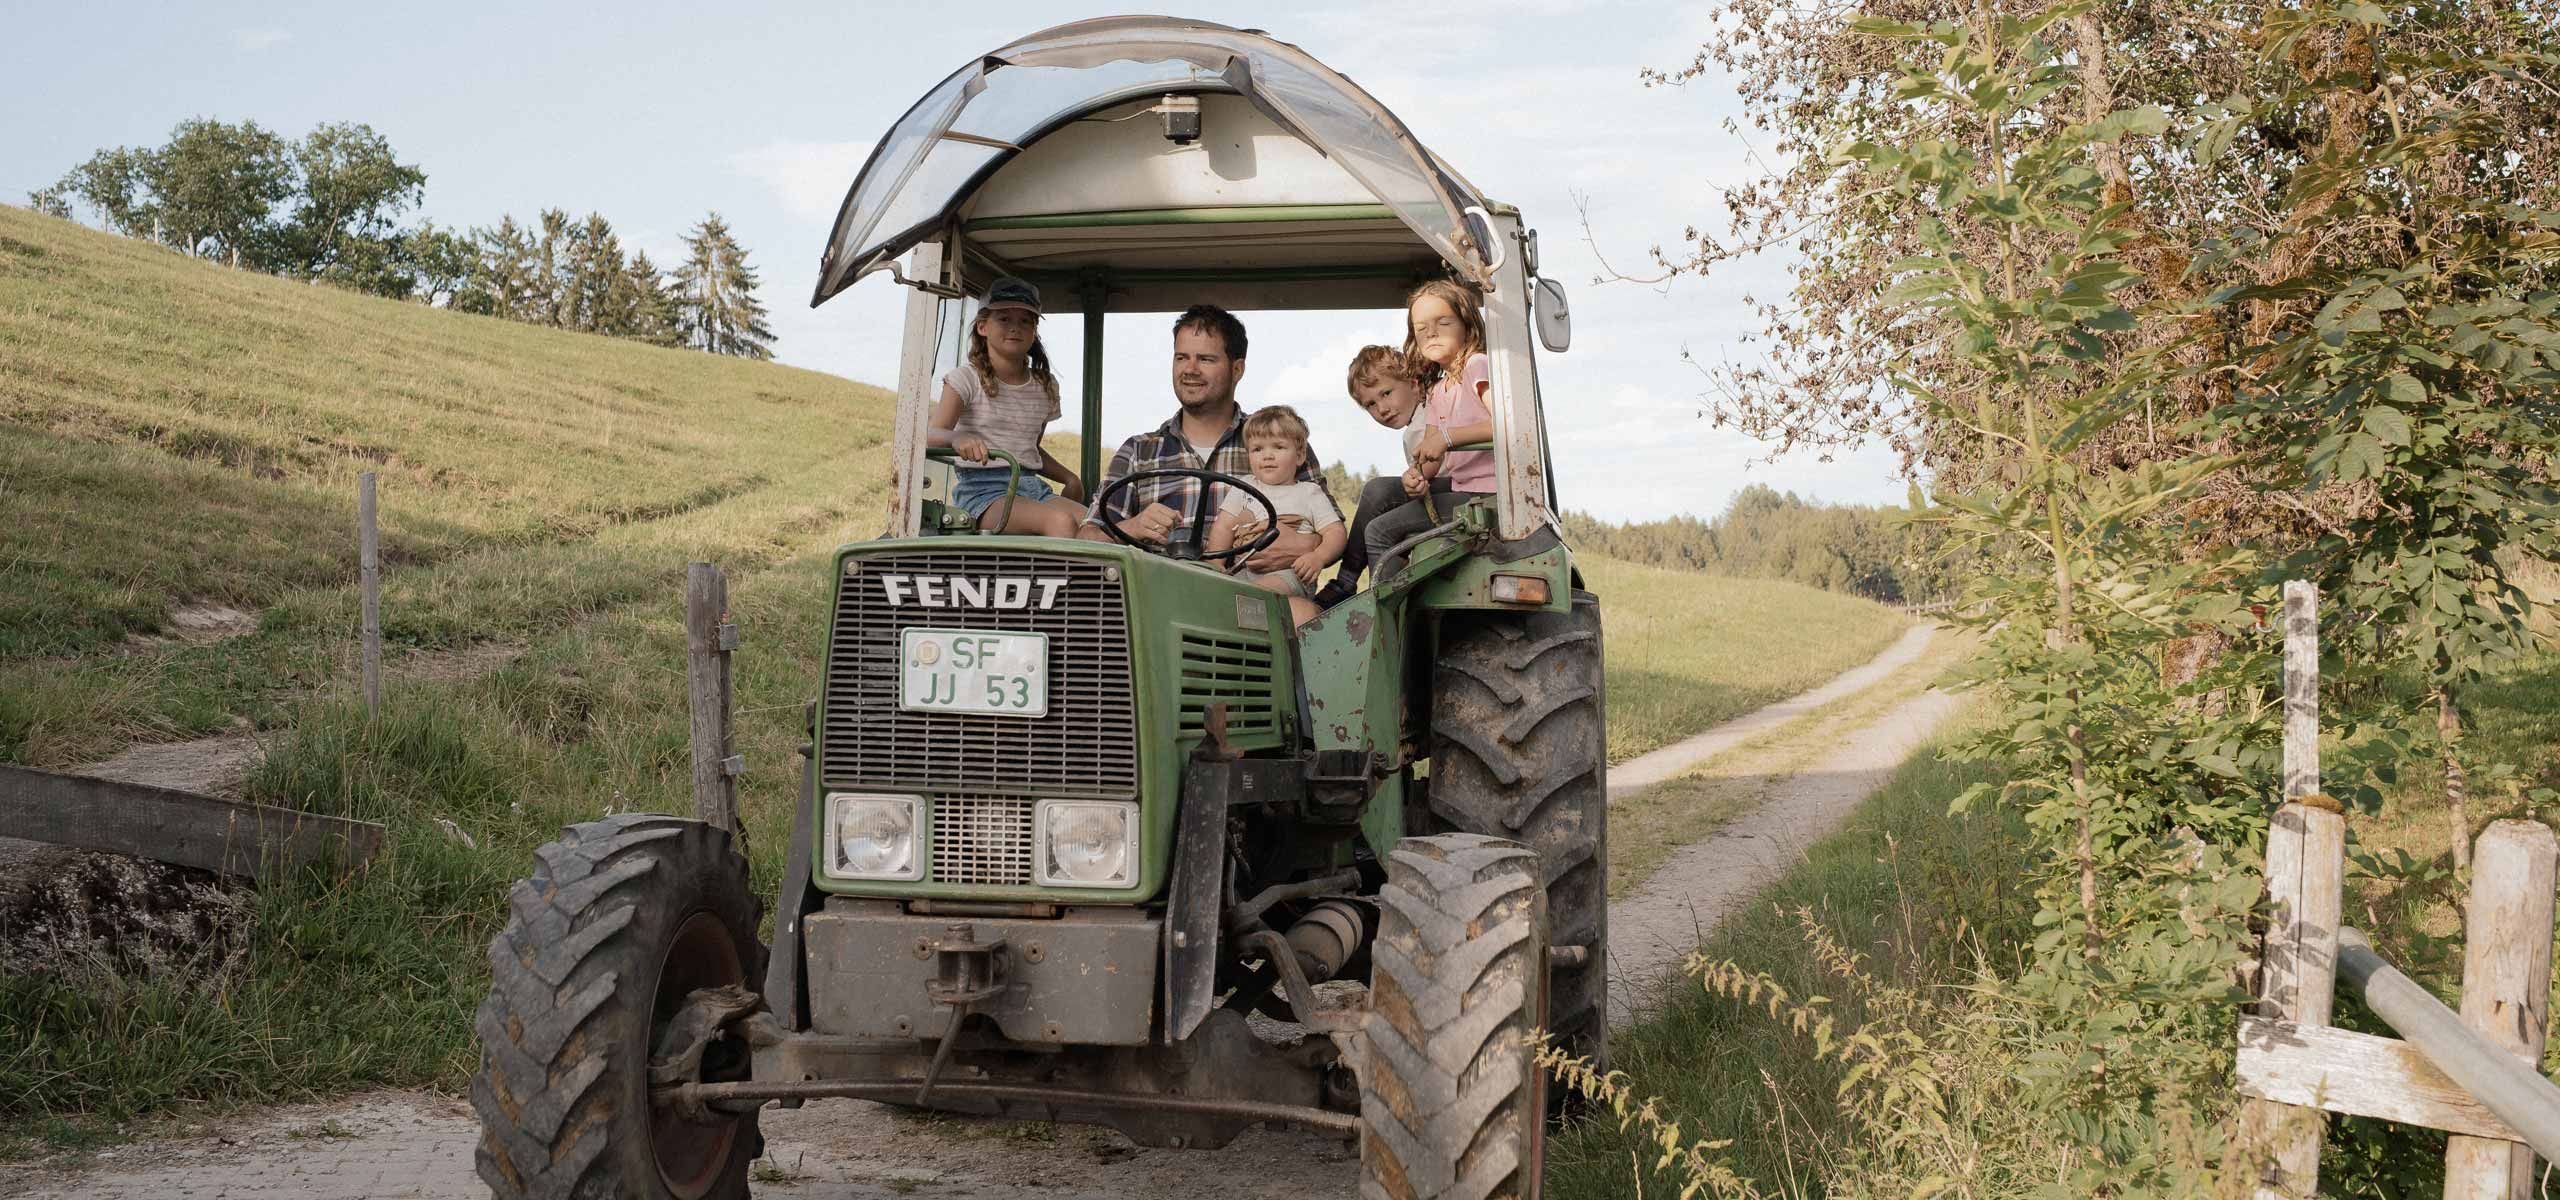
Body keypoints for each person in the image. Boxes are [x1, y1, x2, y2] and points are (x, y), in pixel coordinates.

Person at [1078, 305, 1337, 574]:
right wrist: (1133, 527)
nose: (1190, 369)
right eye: (1181, 358)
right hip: (1157, 599)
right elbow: (1087, 540)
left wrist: (1306, 544)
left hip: (1249, 600)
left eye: (1205, 359)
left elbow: (1333, 532)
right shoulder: (1139, 451)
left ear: (1237, 369)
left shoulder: (1281, 443)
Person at [926, 277, 1088, 536]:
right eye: (1004, 319)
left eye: (1025, 321)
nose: (1015, 328)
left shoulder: (1044, 386)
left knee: (1097, 525)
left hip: (1031, 487)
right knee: (1060, 522)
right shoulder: (965, 379)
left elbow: (1028, 449)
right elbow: (930, 436)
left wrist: (1070, 479)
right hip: (983, 492)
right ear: (982, 326)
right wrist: (956, 437)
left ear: (1034, 330)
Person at [1362, 281, 1496, 582]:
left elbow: (1507, 424)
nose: (1431, 332)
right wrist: (1417, 474)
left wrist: (1447, 439)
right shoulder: (1437, 391)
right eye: (1421, 328)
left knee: (1379, 532)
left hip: (1490, 496)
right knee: (1384, 508)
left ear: (1467, 324)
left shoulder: (1478, 366)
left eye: (1443, 322)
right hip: (1464, 493)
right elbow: (1431, 456)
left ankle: (1387, 623)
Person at [1311, 345, 1452, 609]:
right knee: (1383, 510)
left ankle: (1348, 581)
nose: (1382, 409)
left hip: (1457, 490)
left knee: (1378, 492)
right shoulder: (1414, 426)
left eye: (1386, 393)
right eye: (1371, 404)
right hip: (1436, 495)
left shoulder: (1433, 411)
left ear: (1413, 384)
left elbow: (1432, 470)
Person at [1206, 406, 1344, 626]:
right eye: (1257, 449)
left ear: (1299, 456)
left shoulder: (1309, 493)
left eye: (1278, 447)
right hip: (1244, 572)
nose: (1267, 456)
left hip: (1290, 575)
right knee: (1219, 594)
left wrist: (1318, 557)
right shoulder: (1244, 488)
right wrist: (1214, 564)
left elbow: (1335, 532)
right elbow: (1223, 526)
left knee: (1249, 596)